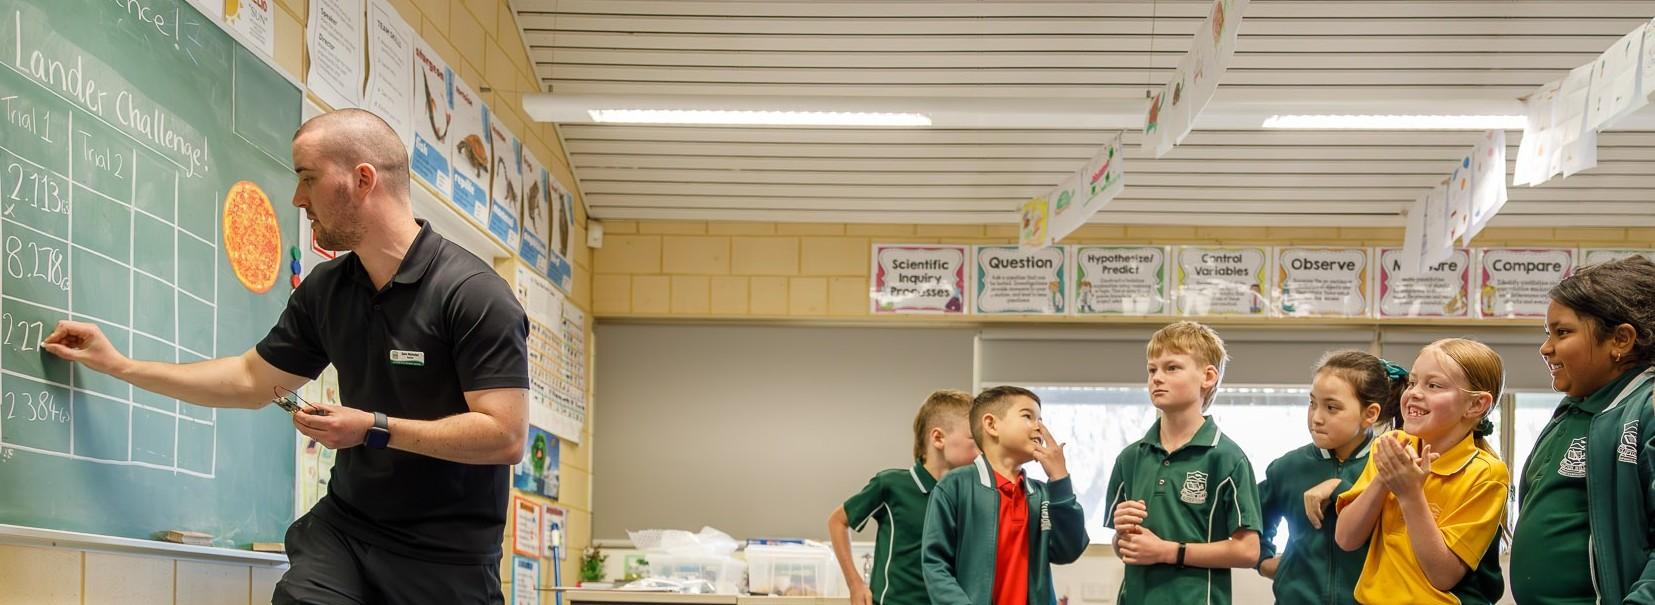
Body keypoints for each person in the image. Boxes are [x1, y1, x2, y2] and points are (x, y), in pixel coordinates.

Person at [41, 108, 530, 605]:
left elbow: (504, 435)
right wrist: (118, 365)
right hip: (347, 533)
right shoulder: (328, 290)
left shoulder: (474, 294)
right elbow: (251, 379)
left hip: (448, 558)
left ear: (363, 179)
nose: (298, 199)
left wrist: (373, 427)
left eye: (308, 179)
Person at [1510, 256, 1655, 604]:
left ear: (1620, 340)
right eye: (1548, 334)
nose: (1546, 348)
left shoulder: (1645, 411)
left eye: (1563, 332)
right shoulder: (1572, 412)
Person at [1334, 338, 1508, 605]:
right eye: (1413, 382)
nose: (1414, 392)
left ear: (1476, 405)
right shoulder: (1390, 446)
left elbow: (1442, 575)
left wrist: (1410, 494)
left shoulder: (1486, 473)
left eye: (1434, 385)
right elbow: (1346, 538)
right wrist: (1384, 478)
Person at [1105, 321, 1262, 605]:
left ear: (1208, 376)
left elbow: (1248, 551)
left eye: (1172, 368)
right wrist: (1123, 539)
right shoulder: (1130, 458)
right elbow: (1123, 548)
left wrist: (1168, 551)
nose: (1156, 378)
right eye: (1152, 369)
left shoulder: (1228, 458)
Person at [1257, 351, 1404, 604]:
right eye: (1312, 403)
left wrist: (1340, 490)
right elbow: (1252, 526)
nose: (1316, 417)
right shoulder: (1287, 467)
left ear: (1370, 414)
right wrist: (1266, 563)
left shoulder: (1395, 466)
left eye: (1331, 407)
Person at [920, 386, 1088, 605]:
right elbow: (935, 564)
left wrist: (1060, 479)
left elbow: (1068, 550)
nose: (1039, 427)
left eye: (1040, 418)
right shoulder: (954, 486)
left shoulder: (1042, 494)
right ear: (991, 425)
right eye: (1028, 416)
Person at [827, 390, 977, 605]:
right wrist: (855, 584)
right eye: (974, 439)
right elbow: (837, 521)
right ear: (938, 438)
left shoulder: (967, 494)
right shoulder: (892, 485)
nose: (982, 450)